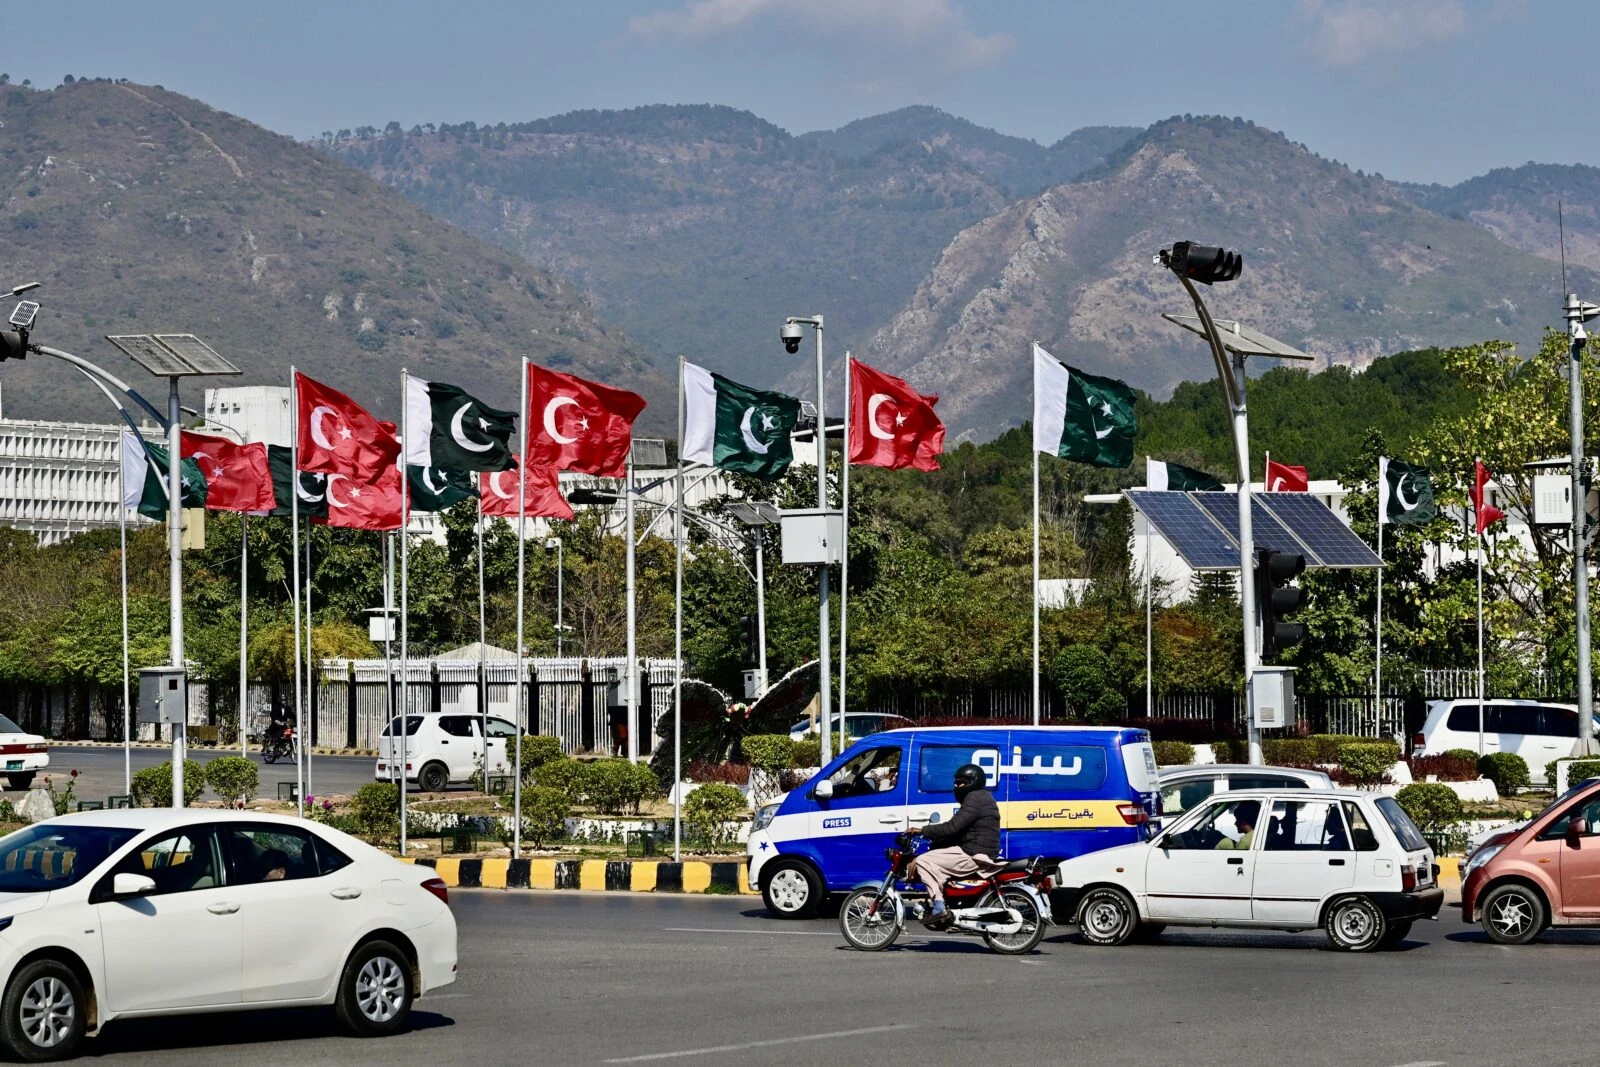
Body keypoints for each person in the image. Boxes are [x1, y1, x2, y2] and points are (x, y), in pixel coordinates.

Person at [906, 764, 1001, 929]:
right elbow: (962, 829)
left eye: (960, 783)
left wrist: (922, 830)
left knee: (923, 861)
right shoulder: (983, 797)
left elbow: (952, 827)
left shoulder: (974, 798)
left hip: (973, 853)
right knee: (938, 859)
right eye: (956, 783)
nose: (956, 787)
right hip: (980, 850)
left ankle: (938, 907)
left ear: (972, 782)